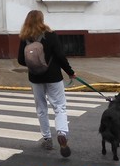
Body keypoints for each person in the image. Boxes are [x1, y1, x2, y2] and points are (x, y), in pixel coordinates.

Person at [17, 10, 76, 158]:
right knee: (59, 106)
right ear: (42, 20)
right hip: (54, 76)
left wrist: (33, 63)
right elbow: (60, 56)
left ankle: (47, 139)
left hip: (35, 77)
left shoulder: (25, 38)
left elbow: (20, 60)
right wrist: (70, 72)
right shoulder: (51, 35)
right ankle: (62, 133)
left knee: (41, 108)